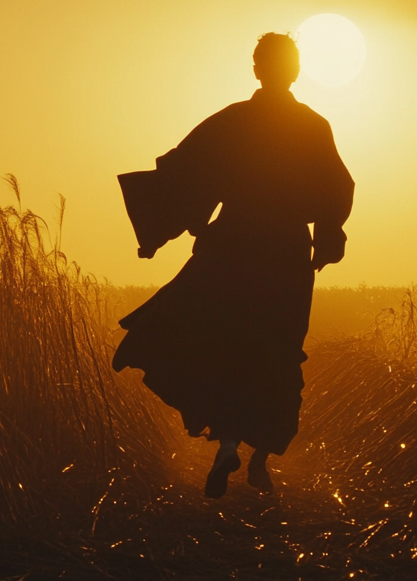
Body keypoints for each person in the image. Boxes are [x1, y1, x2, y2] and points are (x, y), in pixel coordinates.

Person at [112, 31, 354, 498]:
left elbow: (184, 171)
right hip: (284, 252)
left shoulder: (233, 121)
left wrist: (160, 232)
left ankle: (226, 443)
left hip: (235, 244)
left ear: (259, 70)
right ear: (295, 71)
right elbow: (337, 190)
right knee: (279, 348)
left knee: (225, 341)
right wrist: (326, 237)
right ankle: (260, 460)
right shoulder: (314, 126)